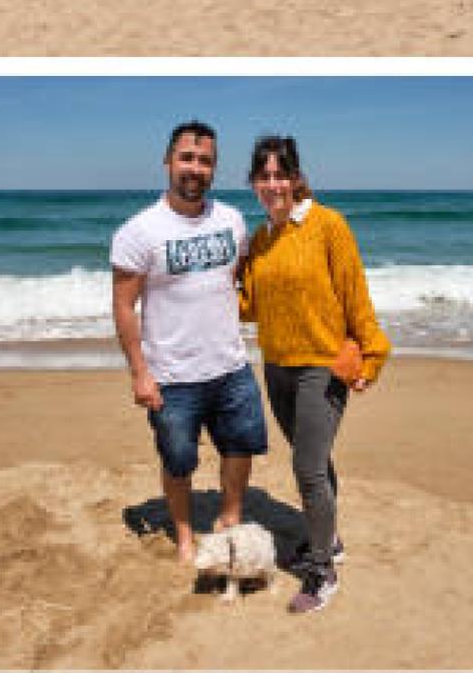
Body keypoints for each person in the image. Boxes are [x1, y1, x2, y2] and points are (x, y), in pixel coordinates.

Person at [238, 135, 391, 615]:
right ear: (253, 183)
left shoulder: (329, 225)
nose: (272, 183)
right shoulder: (260, 238)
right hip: (277, 365)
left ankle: (322, 568)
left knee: (307, 468)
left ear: (297, 178)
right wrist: (219, 282)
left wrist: (372, 356)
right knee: (317, 462)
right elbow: (252, 307)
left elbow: (354, 295)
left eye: (280, 174)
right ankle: (331, 539)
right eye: (263, 176)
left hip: (322, 367)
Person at [111, 121, 265, 564]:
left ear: (214, 168)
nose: (195, 168)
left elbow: (234, 280)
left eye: (205, 161)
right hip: (173, 376)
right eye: (187, 158)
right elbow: (124, 308)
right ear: (168, 162)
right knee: (179, 461)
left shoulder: (231, 220)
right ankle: (183, 536)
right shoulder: (140, 231)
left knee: (241, 448)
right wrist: (141, 374)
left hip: (231, 366)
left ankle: (230, 518)